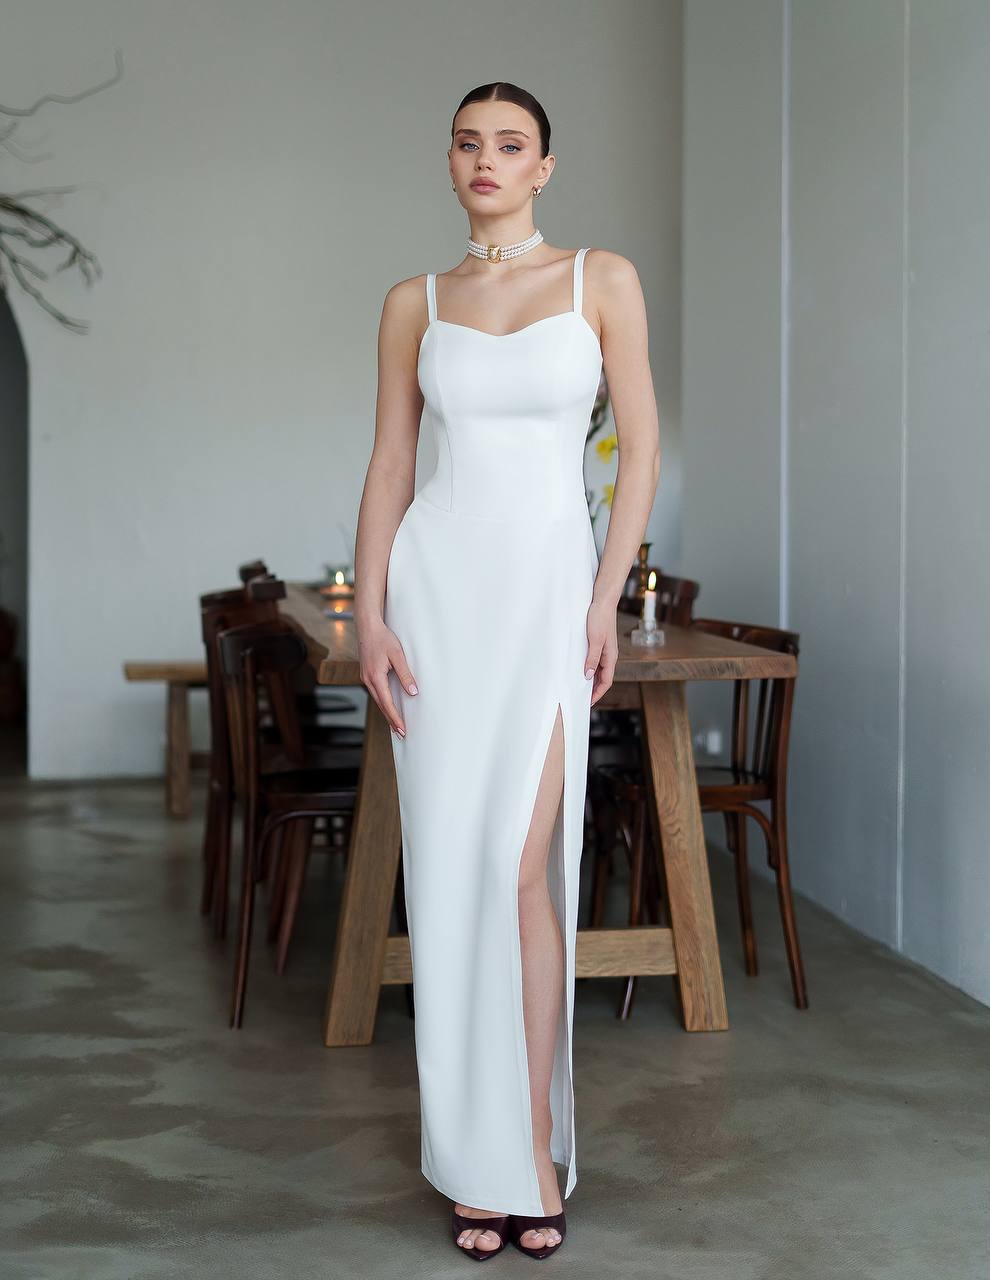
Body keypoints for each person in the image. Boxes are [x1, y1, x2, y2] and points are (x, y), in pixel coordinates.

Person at [354, 81, 660, 1261]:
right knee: (448, 879)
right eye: (469, 142)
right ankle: (478, 1160)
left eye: (511, 144)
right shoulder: (411, 304)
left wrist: (602, 601)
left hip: (541, 599)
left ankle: (528, 1138)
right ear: (449, 162)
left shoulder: (601, 279)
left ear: (544, 167)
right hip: (435, 602)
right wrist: (370, 616)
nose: (487, 159)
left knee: (513, 861)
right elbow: (390, 464)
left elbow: (637, 450)